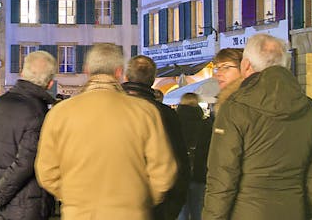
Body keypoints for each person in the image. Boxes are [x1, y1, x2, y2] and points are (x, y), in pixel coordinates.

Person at [36, 43, 177, 220]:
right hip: (130, 212)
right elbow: (164, 171)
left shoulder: (60, 113)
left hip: (79, 213)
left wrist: (74, 196)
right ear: (119, 73)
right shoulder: (144, 112)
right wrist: (141, 199)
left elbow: (46, 172)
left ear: (87, 71)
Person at [203, 34, 312, 220]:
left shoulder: (235, 107)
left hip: (246, 212)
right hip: (294, 209)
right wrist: (306, 210)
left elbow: (222, 179)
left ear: (246, 66)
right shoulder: (310, 108)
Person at [0, 50, 57, 220]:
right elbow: (25, 164)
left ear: (21, 73)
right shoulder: (39, 112)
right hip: (28, 203)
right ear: (50, 84)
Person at [123, 55, 189, 220]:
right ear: (152, 80)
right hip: (155, 206)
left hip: (114, 202)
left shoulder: (112, 109)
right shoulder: (166, 114)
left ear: (126, 77)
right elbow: (179, 163)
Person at [175, 93, 211, 220]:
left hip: (179, 174)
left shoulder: (174, 122)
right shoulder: (206, 125)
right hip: (200, 173)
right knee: (198, 210)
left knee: (181, 211)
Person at [211, 48, 243, 115]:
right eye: (217, 68)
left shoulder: (245, 102)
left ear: (243, 68)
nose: (218, 74)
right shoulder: (227, 101)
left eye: (226, 67)